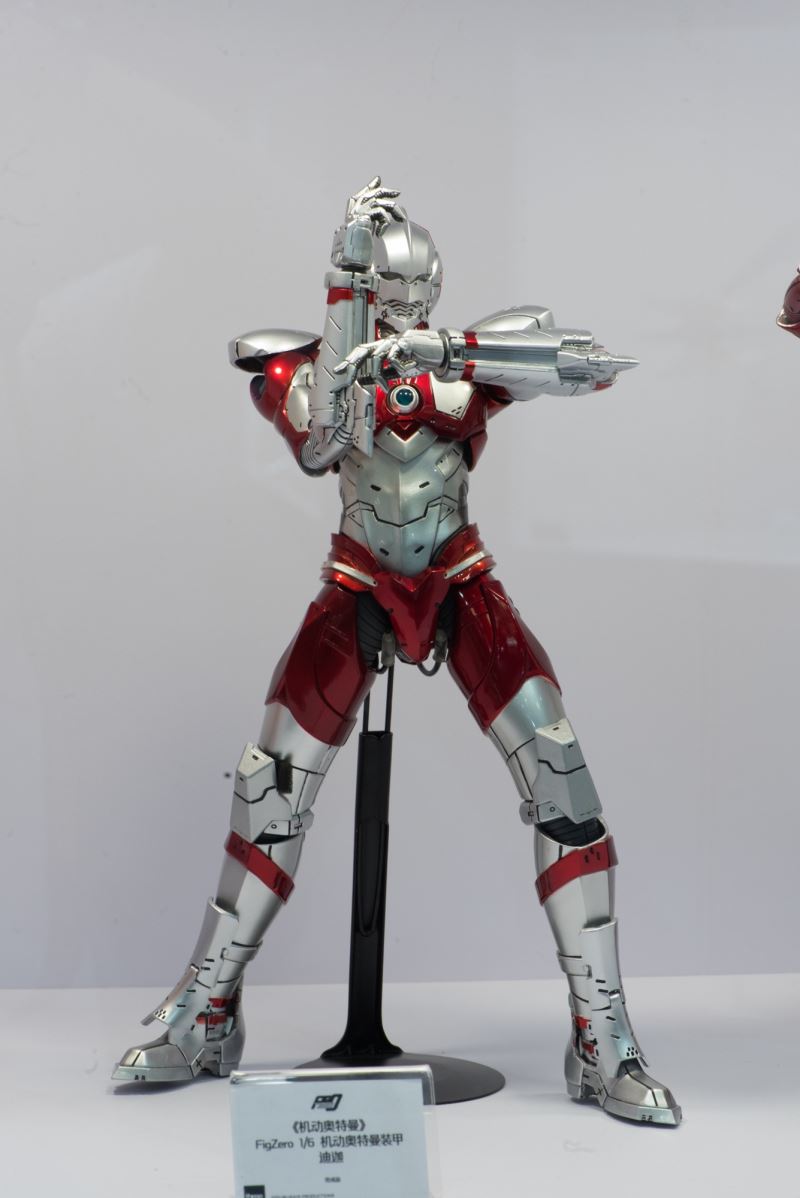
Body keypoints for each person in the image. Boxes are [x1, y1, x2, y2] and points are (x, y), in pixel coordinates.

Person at [114, 179, 681, 1126]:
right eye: (389, 290)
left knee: (563, 781)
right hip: (357, 584)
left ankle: (603, 1037)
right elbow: (321, 445)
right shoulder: (306, 367)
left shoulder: (466, 361)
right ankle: (206, 1011)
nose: (409, 307)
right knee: (269, 788)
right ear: (361, 286)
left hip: (459, 579)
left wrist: (450, 352)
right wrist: (345, 300)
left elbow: (590, 369)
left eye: (422, 292)